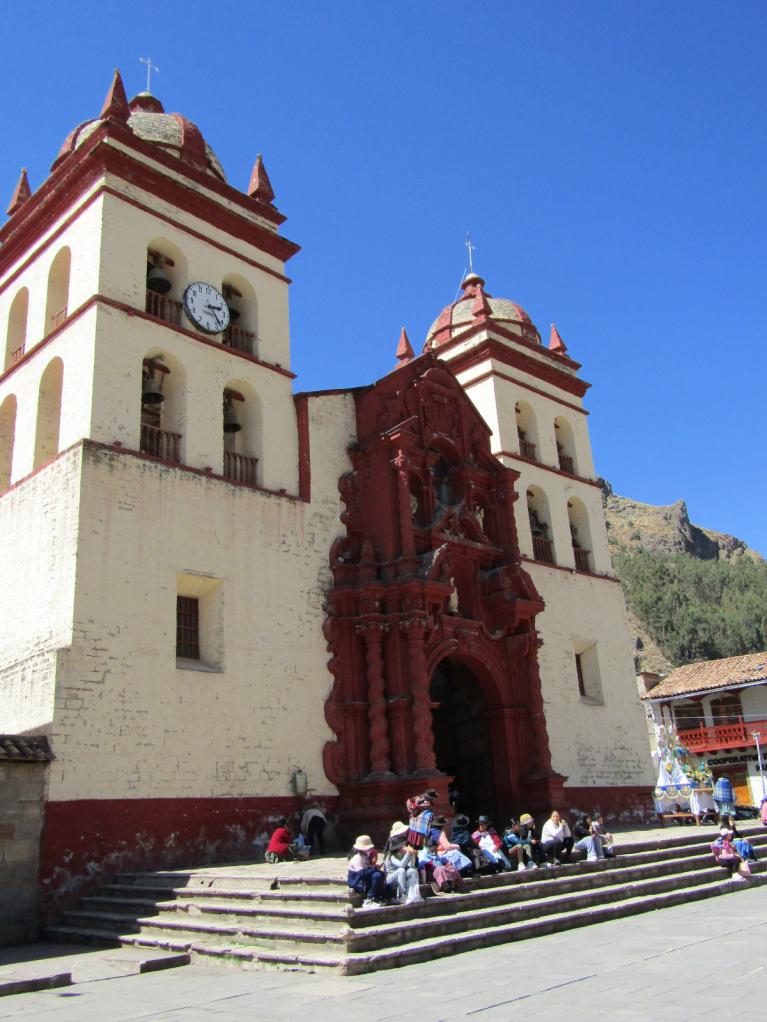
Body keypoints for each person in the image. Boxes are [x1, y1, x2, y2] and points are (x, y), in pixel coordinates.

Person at [383, 822, 422, 904]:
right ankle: (401, 895)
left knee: (412, 870)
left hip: (402, 872)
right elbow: (401, 865)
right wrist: (408, 853)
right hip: (392, 875)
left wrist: (412, 855)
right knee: (401, 870)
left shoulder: (403, 845)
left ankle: (415, 893)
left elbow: (411, 865)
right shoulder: (391, 854)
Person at [347, 834, 386, 906]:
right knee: (377, 876)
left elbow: (367, 870)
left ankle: (377, 898)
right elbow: (361, 874)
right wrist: (374, 869)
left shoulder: (365, 856)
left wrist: (374, 867)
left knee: (380, 874)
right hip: (357, 883)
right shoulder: (357, 858)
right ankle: (369, 899)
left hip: (363, 880)